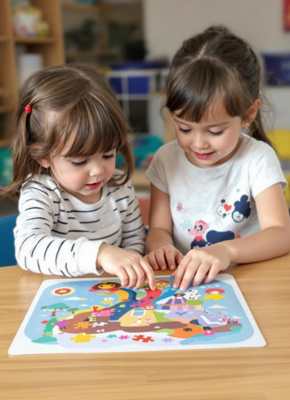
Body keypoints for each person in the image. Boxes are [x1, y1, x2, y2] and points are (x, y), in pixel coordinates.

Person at [145, 25, 290, 290]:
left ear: (248, 114)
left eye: (215, 131)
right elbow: (158, 229)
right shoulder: (166, 160)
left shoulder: (257, 158)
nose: (198, 143)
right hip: (187, 285)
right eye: (184, 128)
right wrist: (161, 247)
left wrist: (227, 252)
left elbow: (281, 234)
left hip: (250, 280)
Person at [1, 64, 155, 290]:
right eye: (80, 161)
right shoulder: (41, 191)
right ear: (41, 156)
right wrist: (100, 253)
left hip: (111, 294)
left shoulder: (120, 186)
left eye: (108, 154)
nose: (98, 171)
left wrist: (129, 265)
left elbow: (134, 240)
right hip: (58, 297)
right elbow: (28, 249)